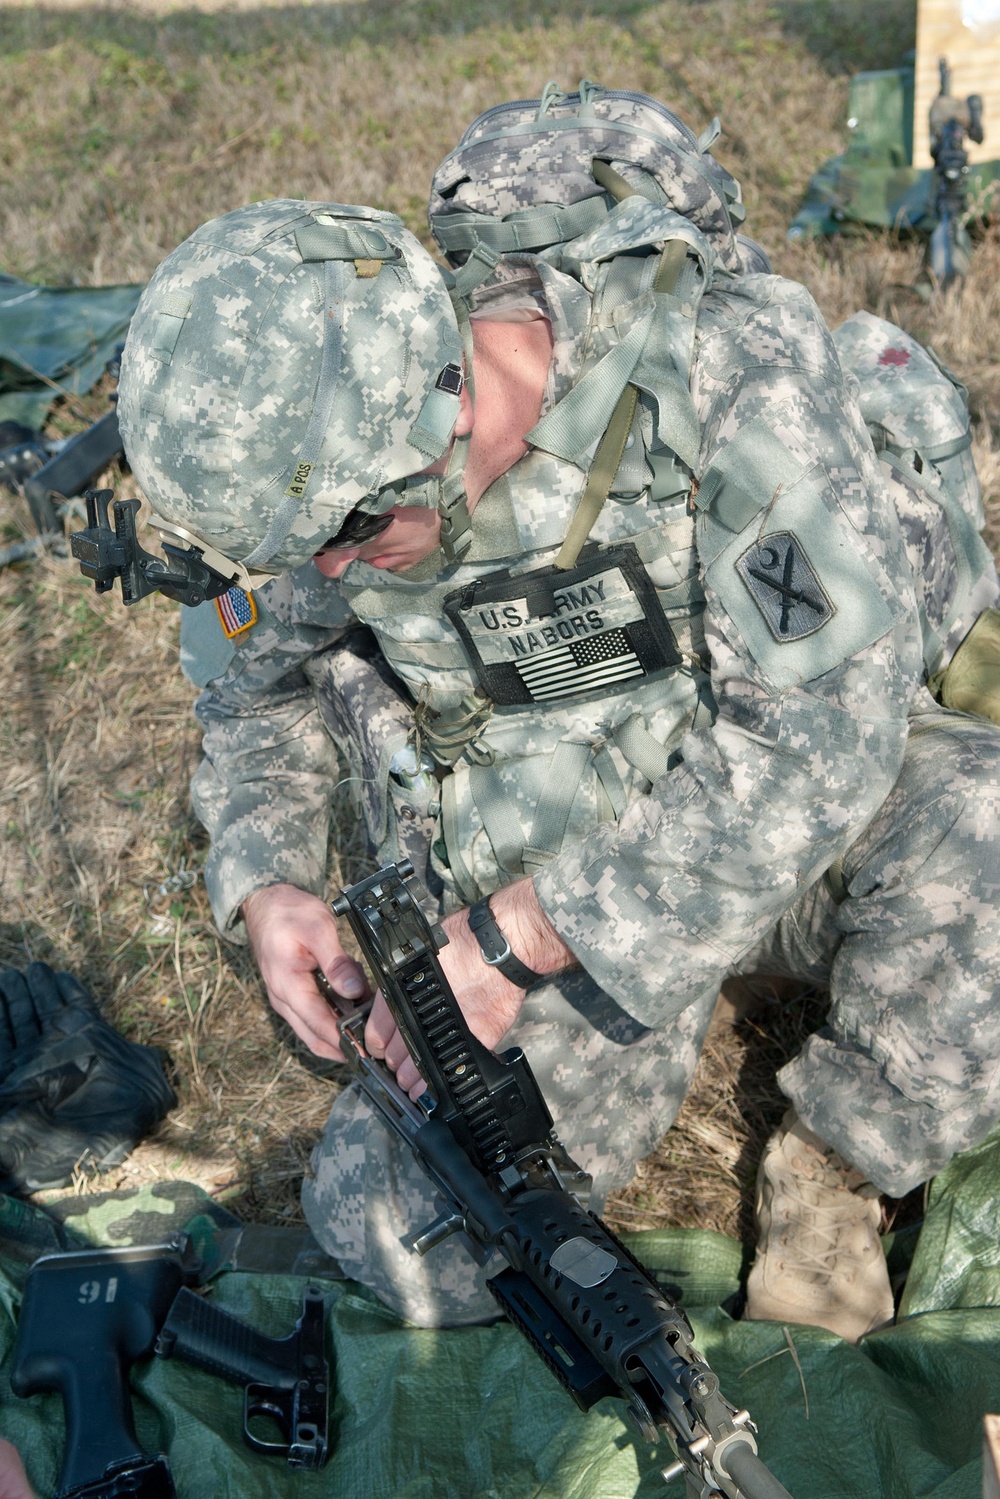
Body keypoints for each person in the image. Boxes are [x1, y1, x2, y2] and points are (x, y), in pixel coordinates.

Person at [115, 89, 1000, 1344]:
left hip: (744, 809)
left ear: (446, 414)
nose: (322, 582)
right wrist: (264, 878)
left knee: (988, 828)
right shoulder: (340, 483)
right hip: (534, 837)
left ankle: (836, 1165)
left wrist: (528, 933)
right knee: (407, 1241)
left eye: (345, 544)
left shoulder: (728, 373)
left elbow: (823, 740)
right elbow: (258, 684)